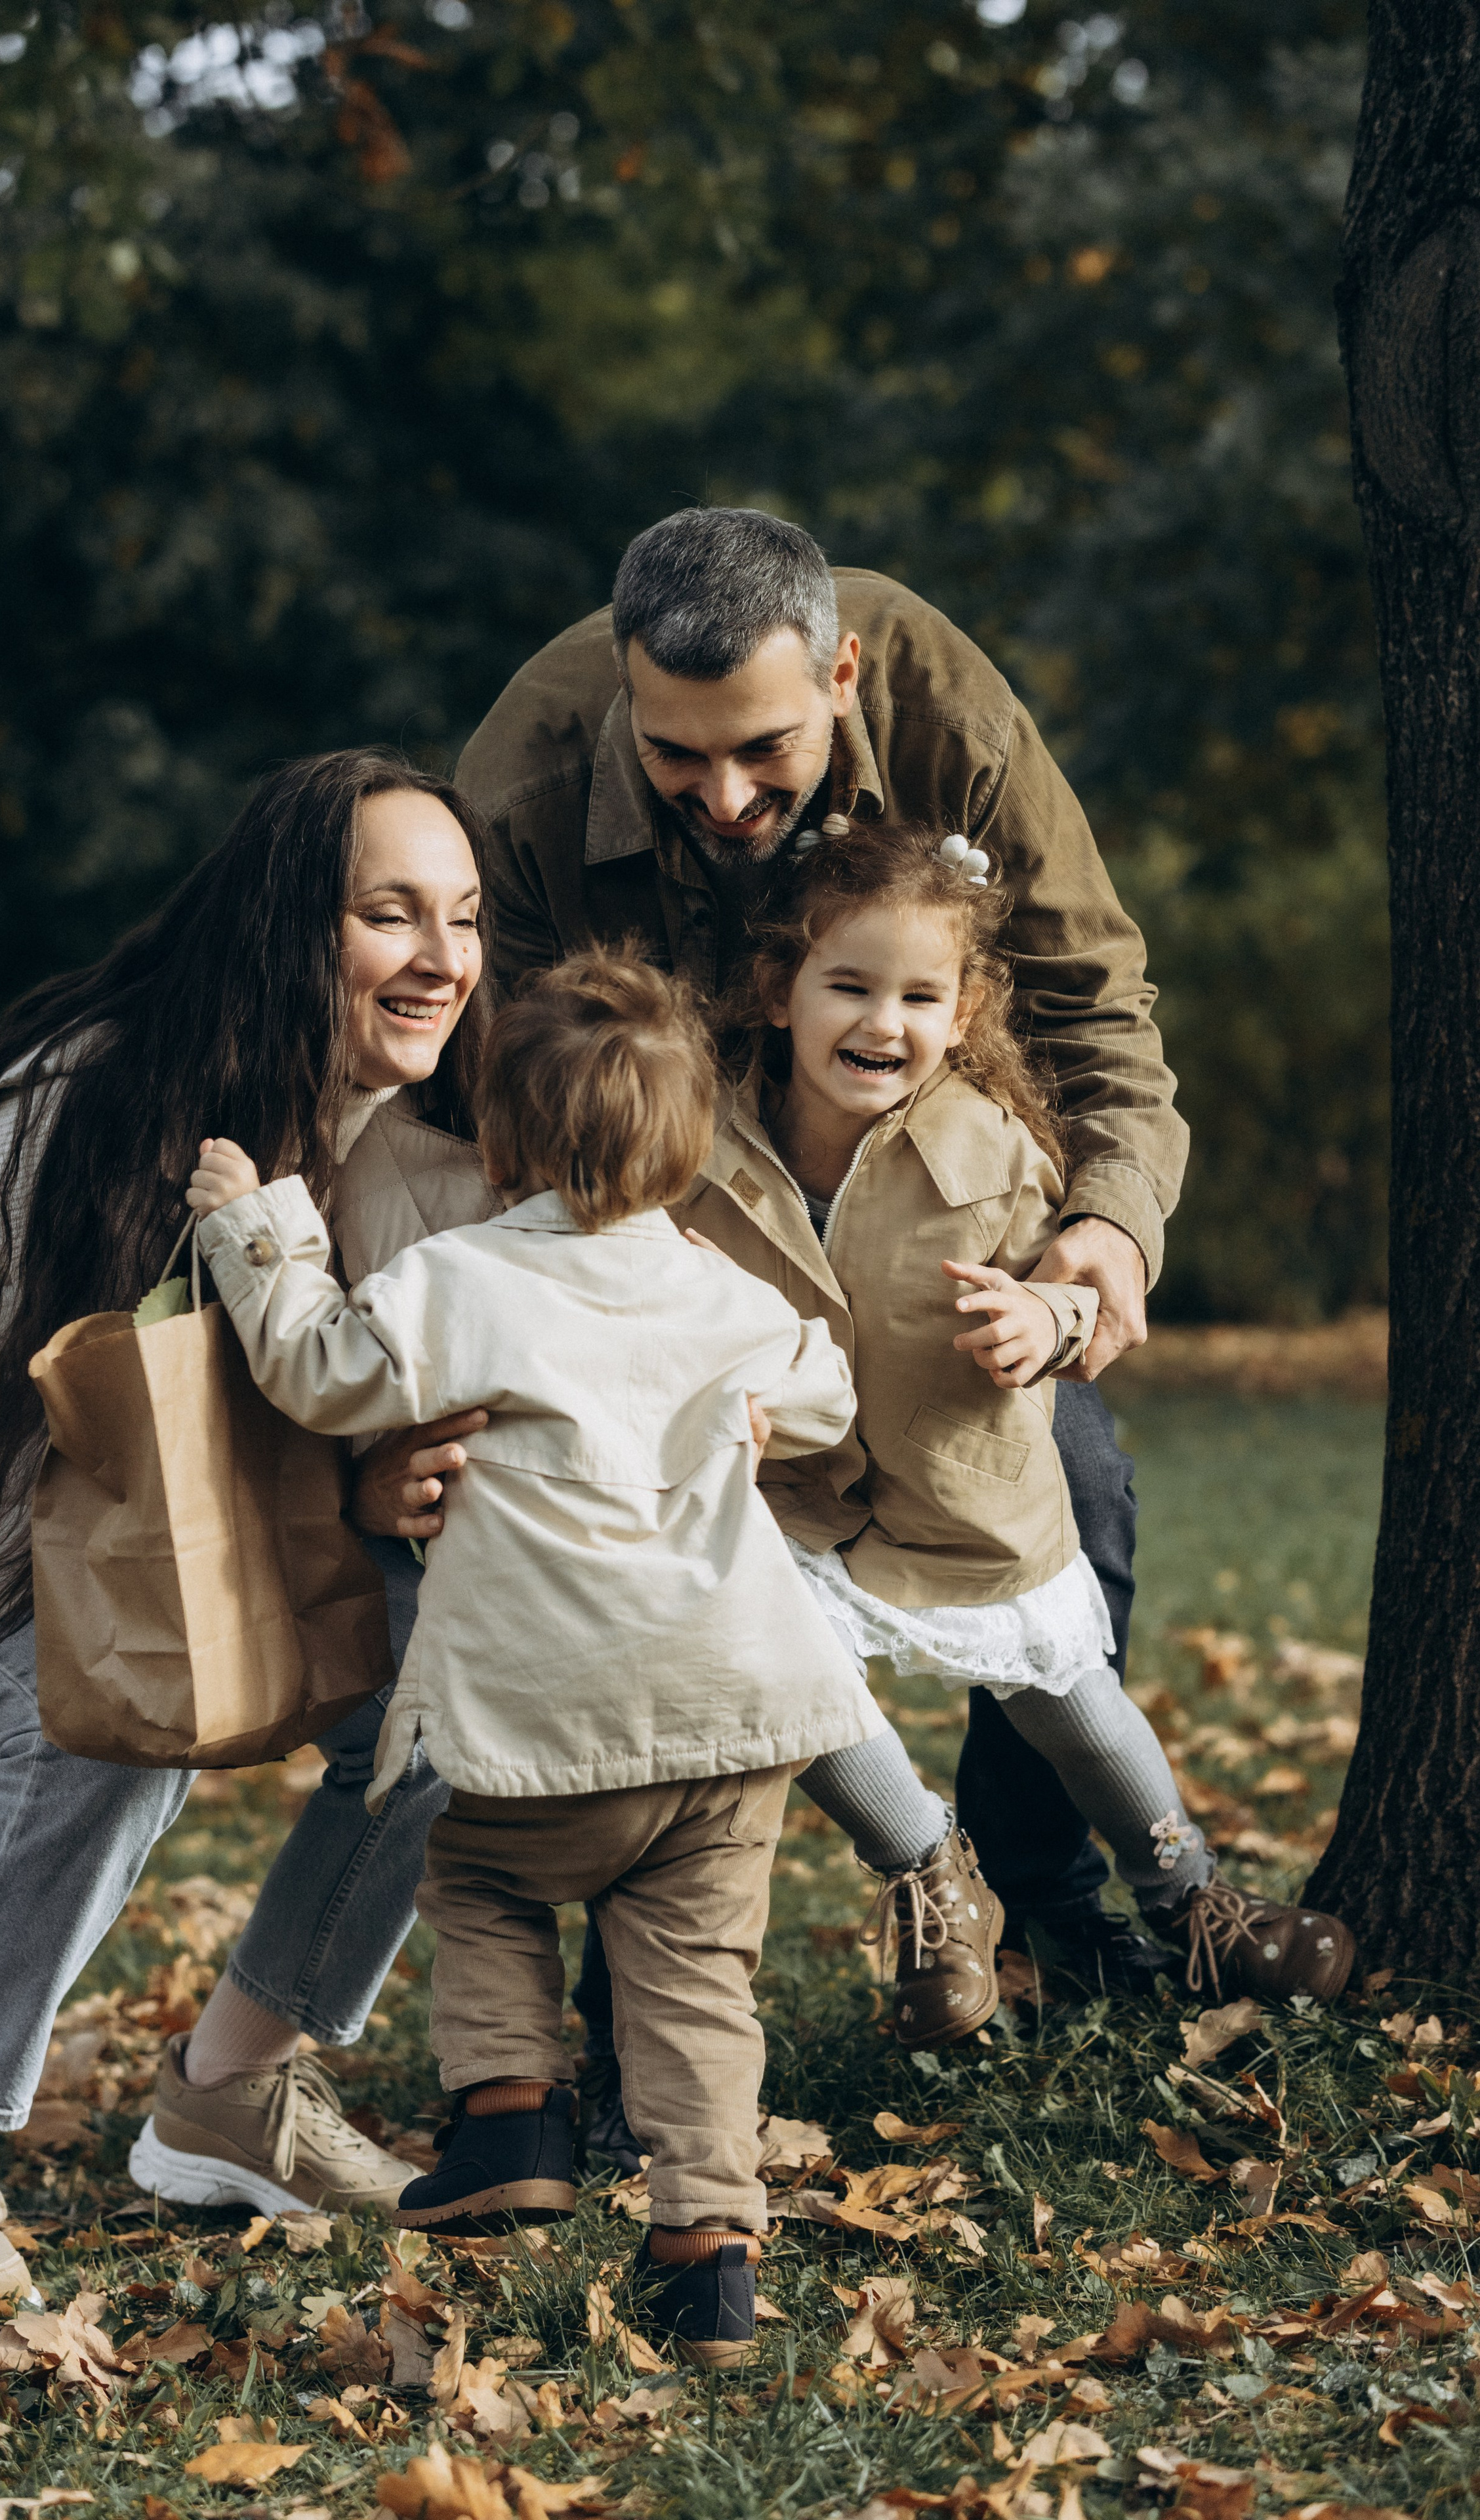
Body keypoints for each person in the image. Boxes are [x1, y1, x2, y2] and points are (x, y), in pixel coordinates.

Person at [0, 749, 505, 2309]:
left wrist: (378, 1477)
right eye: (389, 915)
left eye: (460, 917)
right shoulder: (109, 1103)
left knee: (445, 1683)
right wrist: (340, 1483)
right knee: (115, 1715)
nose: (443, 957)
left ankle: (238, 2085)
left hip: (65, 1523)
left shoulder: (378, 1119)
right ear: (285, 930)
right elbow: (133, 1440)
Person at [457, 506, 1179, 1995]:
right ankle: (631, 2020)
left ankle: (1040, 1898)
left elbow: (1090, 993)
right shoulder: (519, 790)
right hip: (678, 1237)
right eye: (674, 755)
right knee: (645, 1582)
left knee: (1078, 1507)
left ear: (842, 674)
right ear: (619, 691)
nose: (721, 798)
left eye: (763, 752)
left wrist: (1106, 1218)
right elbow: (498, 1087)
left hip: (935, 1227)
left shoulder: (940, 703)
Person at [185, 948, 882, 2370]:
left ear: (499, 1137)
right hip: (731, 1719)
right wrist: (758, 1405)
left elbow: (318, 1365)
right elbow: (825, 1386)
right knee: (695, 1980)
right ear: (689, 1147)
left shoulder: (460, 1280)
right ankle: (704, 2248)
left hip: (534, 1719)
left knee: (483, 1886)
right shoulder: (720, 1293)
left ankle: (507, 2116)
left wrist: (259, 1224)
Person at [674, 820, 1355, 2030]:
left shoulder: (986, 1142)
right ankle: (930, 1869)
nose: (884, 1023)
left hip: (964, 1485)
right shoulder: (707, 1144)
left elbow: (1067, 1279)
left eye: (920, 995)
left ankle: (1191, 1900)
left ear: (965, 1007)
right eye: (850, 987)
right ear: (780, 991)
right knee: (792, 1677)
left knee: (1076, 1706)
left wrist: (1044, 1319)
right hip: (786, 1500)